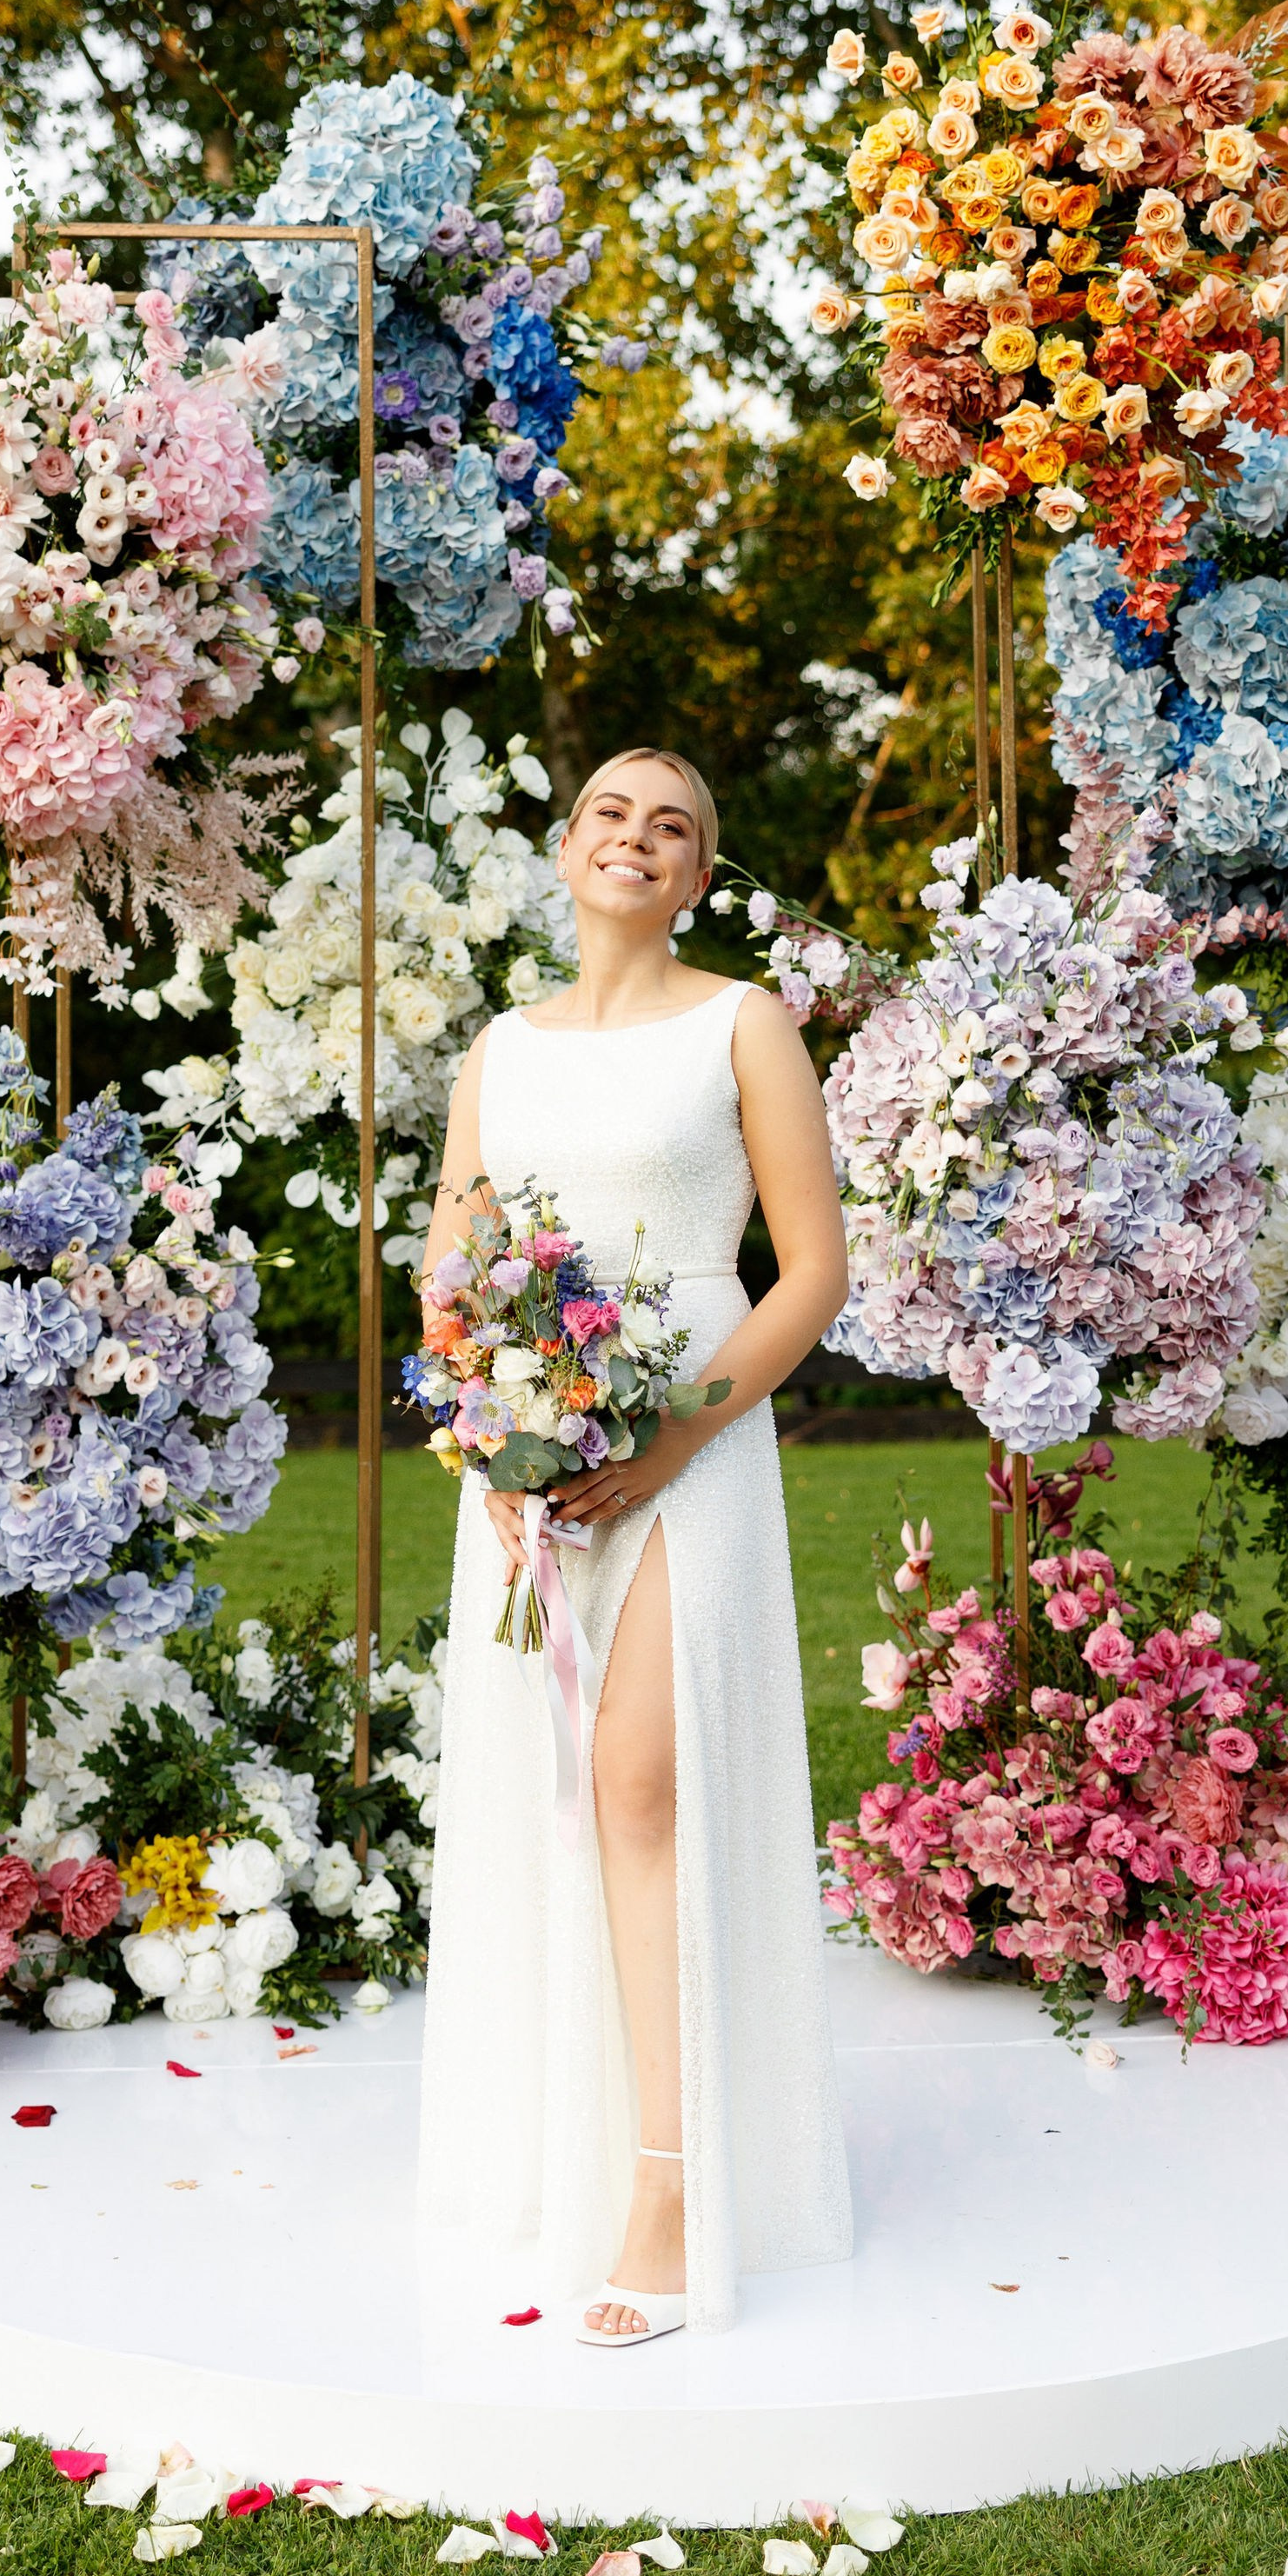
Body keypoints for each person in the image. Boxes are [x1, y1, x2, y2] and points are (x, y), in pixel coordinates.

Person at [415, 746, 854, 2342]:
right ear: (567, 844)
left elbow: (809, 1272)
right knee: (546, 1792)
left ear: (697, 877)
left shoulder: (742, 1023)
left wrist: (668, 1435)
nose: (638, 838)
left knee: (642, 1783)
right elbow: (454, 1257)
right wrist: (489, 1422)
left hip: (693, 1449)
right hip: (530, 1471)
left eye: (674, 827)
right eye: (613, 811)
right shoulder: (499, 1051)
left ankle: (673, 2189)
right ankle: (556, 2150)